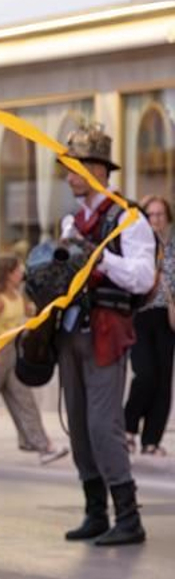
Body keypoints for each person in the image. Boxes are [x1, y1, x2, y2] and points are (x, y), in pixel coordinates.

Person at [55, 125, 157, 546]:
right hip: (70, 331)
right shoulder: (71, 219)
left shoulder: (127, 217)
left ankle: (128, 516)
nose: (69, 176)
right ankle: (95, 510)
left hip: (106, 329)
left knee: (103, 424)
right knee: (77, 425)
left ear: (97, 169)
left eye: (75, 167)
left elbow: (142, 276)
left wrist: (98, 256)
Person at [0, 254, 62, 466]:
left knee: (24, 399)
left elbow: (30, 314)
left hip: (13, 352)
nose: (21, 273)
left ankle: (42, 446)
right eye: (18, 270)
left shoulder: (17, 296)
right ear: (8, 274)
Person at [123, 194, 172, 455]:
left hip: (167, 317)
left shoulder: (172, 246)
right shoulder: (138, 242)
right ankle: (128, 428)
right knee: (145, 374)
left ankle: (152, 440)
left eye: (160, 214)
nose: (155, 219)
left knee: (164, 379)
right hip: (140, 315)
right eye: (150, 214)